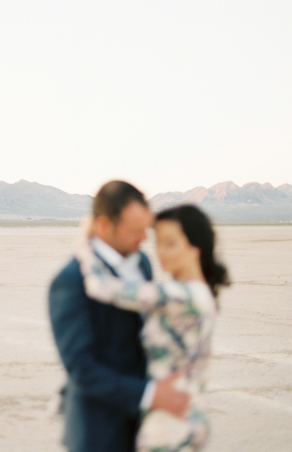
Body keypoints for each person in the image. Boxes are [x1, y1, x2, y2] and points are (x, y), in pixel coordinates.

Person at [48, 181, 190, 452]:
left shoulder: (143, 264)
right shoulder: (70, 282)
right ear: (104, 226)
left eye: (146, 229)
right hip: (98, 433)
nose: (144, 239)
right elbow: (82, 369)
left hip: (146, 430)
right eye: (135, 231)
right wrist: (150, 395)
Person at [77, 204, 230, 452]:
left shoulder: (178, 295)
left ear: (196, 248)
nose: (160, 252)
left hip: (170, 423)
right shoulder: (201, 294)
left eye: (171, 244)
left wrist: (87, 240)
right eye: (158, 243)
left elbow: (100, 286)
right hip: (191, 414)